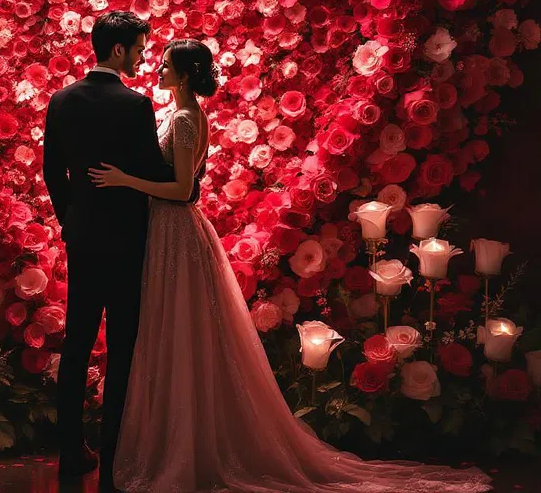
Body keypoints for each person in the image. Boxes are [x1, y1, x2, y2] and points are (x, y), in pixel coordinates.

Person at [89, 38, 492, 493]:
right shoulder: (178, 115)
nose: (156, 69)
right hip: (169, 231)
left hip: (176, 227)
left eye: (164, 65)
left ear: (182, 75)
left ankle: (186, 446)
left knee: (181, 330)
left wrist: (125, 181)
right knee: (178, 331)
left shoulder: (184, 118)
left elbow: (183, 189)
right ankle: (180, 440)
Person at [43, 11, 179, 487]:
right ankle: (114, 455)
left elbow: (51, 173)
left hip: (82, 237)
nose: (142, 56)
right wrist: (186, 176)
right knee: (121, 347)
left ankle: (69, 453)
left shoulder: (61, 101)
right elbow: (152, 171)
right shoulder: (135, 104)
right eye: (139, 48)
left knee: (77, 343)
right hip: (127, 239)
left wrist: (71, 219)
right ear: (118, 50)